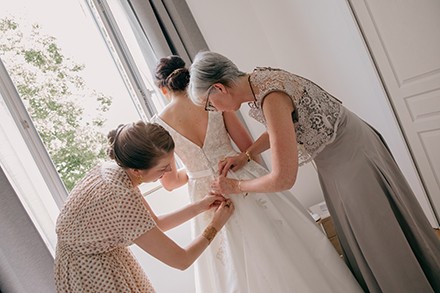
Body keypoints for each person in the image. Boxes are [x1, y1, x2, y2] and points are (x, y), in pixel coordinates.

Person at [188, 50, 440, 293]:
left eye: (209, 105)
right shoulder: (259, 80)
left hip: (350, 156)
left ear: (219, 88)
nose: (215, 111)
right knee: (368, 234)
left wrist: (235, 187)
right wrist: (247, 154)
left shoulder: (271, 97)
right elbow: (281, 128)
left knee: (379, 235)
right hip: (340, 156)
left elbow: (283, 179)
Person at [151, 55, 363, 293]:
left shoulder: (158, 125)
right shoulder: (213, 99)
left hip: (207, 196)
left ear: (162, 89)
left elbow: (169, 182)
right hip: (240, 173)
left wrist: (196, 170)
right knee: (286, 249)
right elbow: (245, 146)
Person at [54, 121, 234, 293]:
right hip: (91, 274)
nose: (169, 172)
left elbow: (154, 223)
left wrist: (200, 206)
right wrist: (216, 224)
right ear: (137, 171)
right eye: (163, 168)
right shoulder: (120, 198)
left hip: (85, 261)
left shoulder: (115, 170)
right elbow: (181, 260)